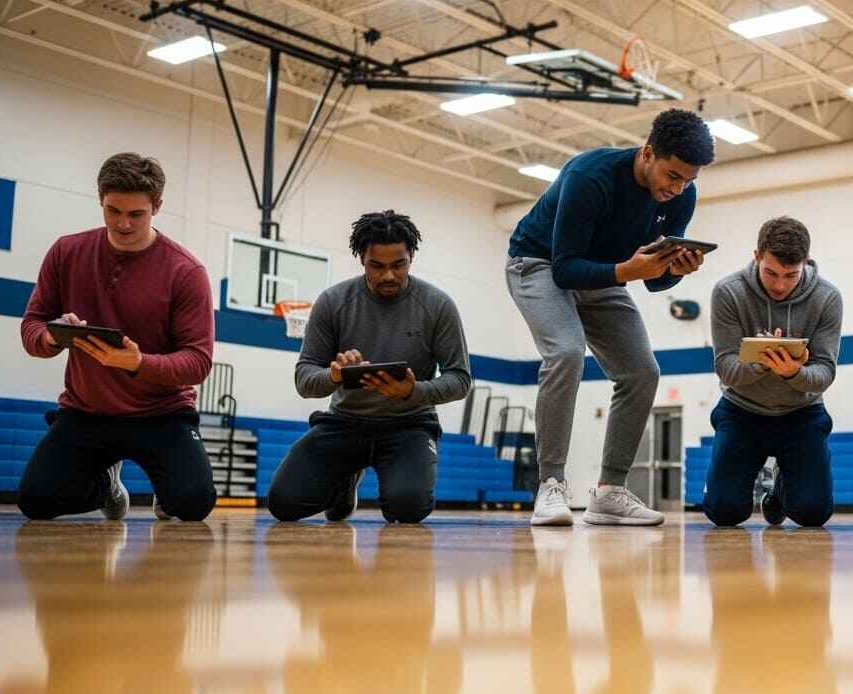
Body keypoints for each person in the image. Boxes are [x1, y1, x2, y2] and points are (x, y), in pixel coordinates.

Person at [506, 109, 715, 526]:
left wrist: (675, 269)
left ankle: (609, 493)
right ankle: (550, 484)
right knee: (567, 352)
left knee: (642, 371)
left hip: (602, 276)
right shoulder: (591, 175)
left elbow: (654, 282)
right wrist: (625, 272)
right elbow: (564, 268)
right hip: (538, 263)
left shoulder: (681, 196)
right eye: (673, 176)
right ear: (648, 153)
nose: (679, 188)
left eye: (689, 180)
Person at [18, 152, 216, 521]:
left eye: (136, 214)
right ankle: (107, 487)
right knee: (35, 501)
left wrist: (140, 363)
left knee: (193, 503)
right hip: (85, 411)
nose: (123, 224)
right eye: (113, 211)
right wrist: (53, 338)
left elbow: (198, 362)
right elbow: (32, 325)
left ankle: (168, 493)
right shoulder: (66, 252)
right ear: (100, 201)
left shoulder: (186, 272)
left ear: (156, 206)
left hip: (163, 414)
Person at [267, 211, 471, 524]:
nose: (388, 275)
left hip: (409, 424)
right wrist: (333, 375)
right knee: (284, 503)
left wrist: (414, 391)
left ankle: (367, 477)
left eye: (398, 265)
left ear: (411, 257)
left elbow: (460, 379)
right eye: (377, 266)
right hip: (345, 422)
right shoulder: (333, 302)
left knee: (408, 508)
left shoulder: (437, 305)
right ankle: (344, 483)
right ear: (362, 259)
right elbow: (304, 377)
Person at [702, 216, 842, 527]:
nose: (780, 285)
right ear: (756, 257)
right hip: (741, 411)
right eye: (771, 273)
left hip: (802, 413)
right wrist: (762, 363)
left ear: (805, 262)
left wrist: (793, 373)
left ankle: (780, 485)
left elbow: (825, 373)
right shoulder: (728, 292)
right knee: (724, 513)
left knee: (813, 513)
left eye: (791, 275)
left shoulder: (827, 298)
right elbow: (726, 369)